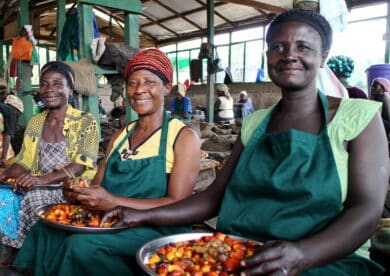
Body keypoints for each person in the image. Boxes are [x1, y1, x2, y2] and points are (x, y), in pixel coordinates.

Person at [101, 9, 389, 275]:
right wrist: (138, 215)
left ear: (324, 56)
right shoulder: (255, 123)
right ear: (268, 55)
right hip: (241, 251)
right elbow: (213, 198)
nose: (289, 55)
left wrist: (303, 254)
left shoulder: (357, 117)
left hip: (323, 259)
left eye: (303, 47)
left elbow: (365, 210)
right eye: (278, 47)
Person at [13, 48, 201, 275]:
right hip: (113, 218)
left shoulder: (182, 136)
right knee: (45, 230)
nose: (139, 89)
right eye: (132, 83)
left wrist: (112, 201)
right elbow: (97, 186)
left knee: (81, 247)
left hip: (155, 227)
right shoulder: (121, 136)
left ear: (166, 88)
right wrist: (76, 192)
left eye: (149, 82)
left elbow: (176, 204)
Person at [0, 61, 99, 266]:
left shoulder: (85, 121)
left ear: (69, 88)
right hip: (38, 182)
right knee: (2, 193)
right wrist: (7, 172)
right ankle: (15, 250)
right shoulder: (36, 122)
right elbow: (25, 161)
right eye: (44, 84)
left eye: (57, 84)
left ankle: (43, 260)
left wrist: (40, 180)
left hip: (71, 188)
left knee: (35, 200)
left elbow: (80, 165)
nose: (49, 90)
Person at [0, 94, 24, 167]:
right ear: (16, 109)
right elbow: (7, 135)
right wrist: (4, 159)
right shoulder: (10, 111)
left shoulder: (2, 109)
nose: (17, 118)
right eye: (18, 115)